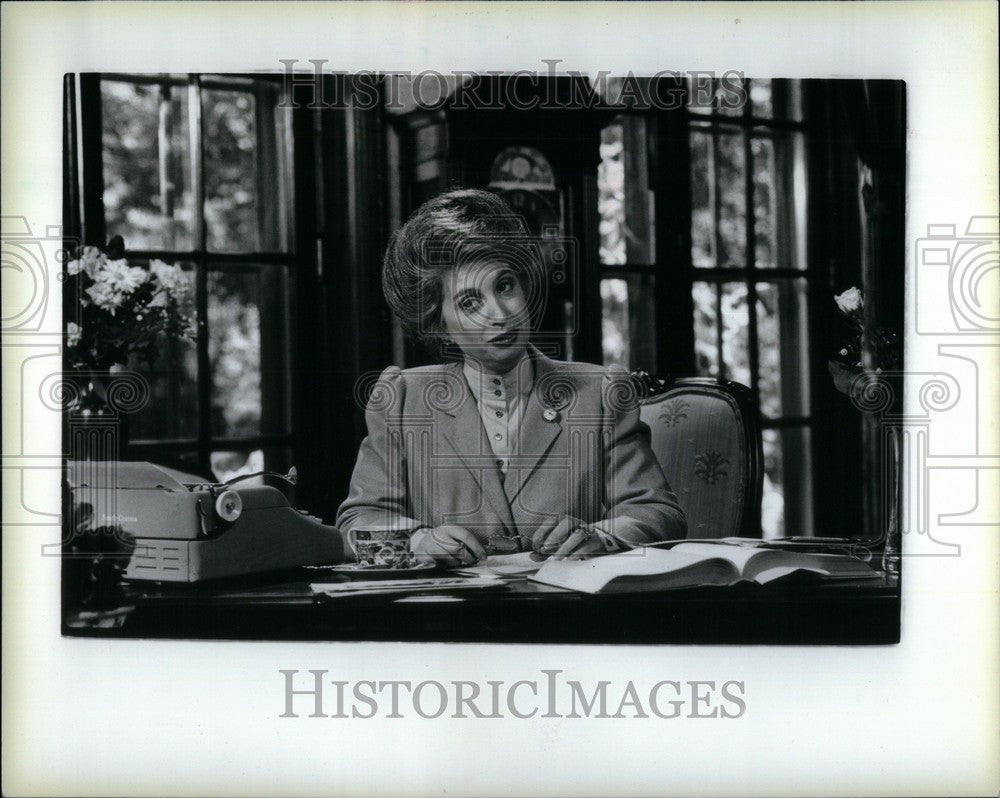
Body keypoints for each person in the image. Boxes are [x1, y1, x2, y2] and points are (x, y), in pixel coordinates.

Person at [336, 189, 686, 567]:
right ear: (439, 326)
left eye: (505, 286)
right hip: (449, 619)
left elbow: (660, 515)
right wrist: (419, 541)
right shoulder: (402, 399)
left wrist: (601, 537)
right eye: (470, 302)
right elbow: (357, 524)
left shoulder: (600, 393)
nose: (499, 314)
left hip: (566, 613)